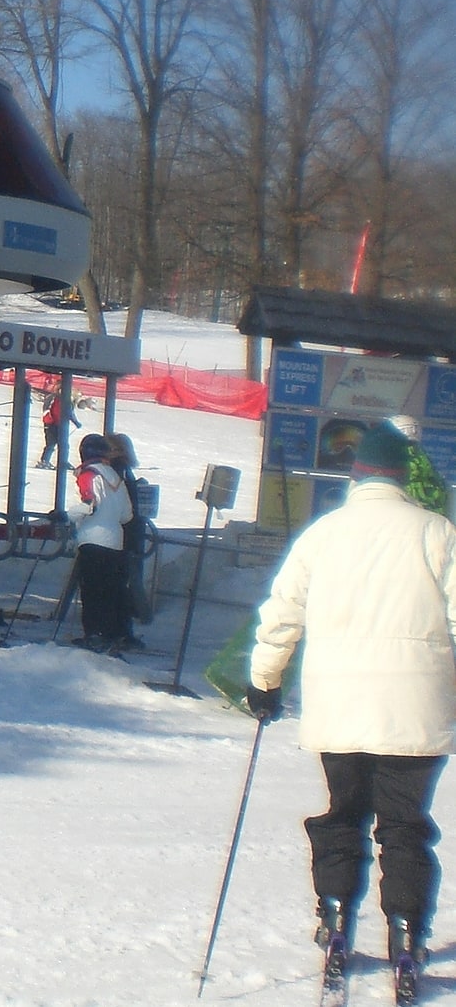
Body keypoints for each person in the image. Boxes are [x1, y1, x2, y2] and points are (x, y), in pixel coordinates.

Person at [247, 423, 456, 991]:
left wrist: (265, 679)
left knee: (343, 814)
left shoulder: (323, 534)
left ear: (357, 473)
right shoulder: (437, 532)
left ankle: (336, 921)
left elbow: (282, 610)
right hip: (416, 709)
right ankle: (407, 934)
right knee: (404, 825)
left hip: (337, 705)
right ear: (401, 475)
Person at [71, 432, 132, 649]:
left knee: (92, 588)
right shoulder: (117, 478)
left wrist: (68, 514)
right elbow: (127, 515)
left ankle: (93, 632)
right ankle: (112, 631)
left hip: (92, 538)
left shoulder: (88, 474)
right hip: (116, 540)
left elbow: (89, 505)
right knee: (111, 588)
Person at [109, 432, 150, 648]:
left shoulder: (116, 470)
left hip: (119, 534)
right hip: (129, 533)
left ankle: (118, 631)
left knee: (116, 584)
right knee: (123, 583)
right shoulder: (125, 471)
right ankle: (123, 629)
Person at [37, 388, 80, 468]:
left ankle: (55, 461)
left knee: (58, 444)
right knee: (56, 444)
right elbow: (69, 413)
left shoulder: (61, 399)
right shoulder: (58, 399)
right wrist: (76, 423)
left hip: (56, 425)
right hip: (55, 425)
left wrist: (76, 422)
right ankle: (50, 461)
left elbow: (69, 412)